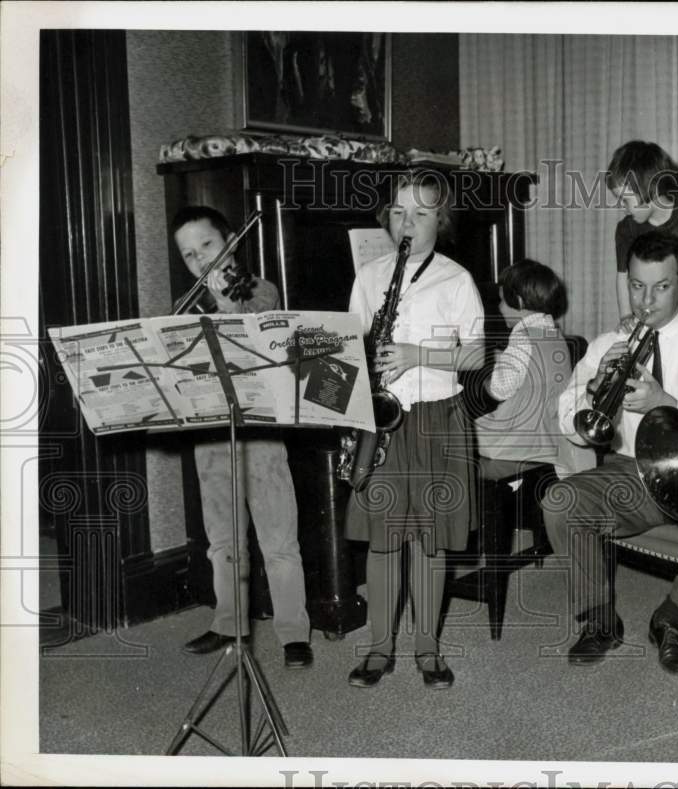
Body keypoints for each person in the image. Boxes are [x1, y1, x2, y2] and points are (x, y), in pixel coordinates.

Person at [345, 170, 485, 690]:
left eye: (422, 213)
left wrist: (415, 354)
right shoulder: (370, 275)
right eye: (399, 211)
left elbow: (476, 354)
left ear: (439, 220)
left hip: (435, 417)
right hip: (383, 420)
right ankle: (380, 647)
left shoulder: (456, 279)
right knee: (382, 539)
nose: (408, 222)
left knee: (429, 539)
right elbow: (350, 342)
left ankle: (427, 647)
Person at [542, 232, 678, 666]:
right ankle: (600, 621)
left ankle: (671, 616)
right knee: (560, 502)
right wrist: (595, 390)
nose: (645, 300)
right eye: (636, 285)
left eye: (661, 287)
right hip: (634, 474)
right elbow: (568, 418)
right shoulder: (607, 344)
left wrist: (664, 403)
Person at [171, 205, 313, 670]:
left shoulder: (260, 289)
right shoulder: (189, 301)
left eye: (207, 246)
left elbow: (257, 339)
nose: (200, 261)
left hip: (259, 427)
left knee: (278, 536)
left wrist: (227, 305)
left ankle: (294, 631)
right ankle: (229, 621)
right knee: (222, 539)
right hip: (211, 429)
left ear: (231, 241)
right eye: (189, 255)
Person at [475, 259, 595, 478]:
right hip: (551, 431)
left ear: (519, 302)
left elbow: (500, 389)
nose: (499, 307)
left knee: (465, 433)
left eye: (502, 301)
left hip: (521, 435)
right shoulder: (554, 335)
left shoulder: (522, 338)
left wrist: (491, 370)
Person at [607, 140, 678, 330]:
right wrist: (626, 315)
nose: (621, 207)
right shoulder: (626, 229)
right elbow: (623, 275)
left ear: (650, 191)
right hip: (655, 306)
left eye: (625, 200)